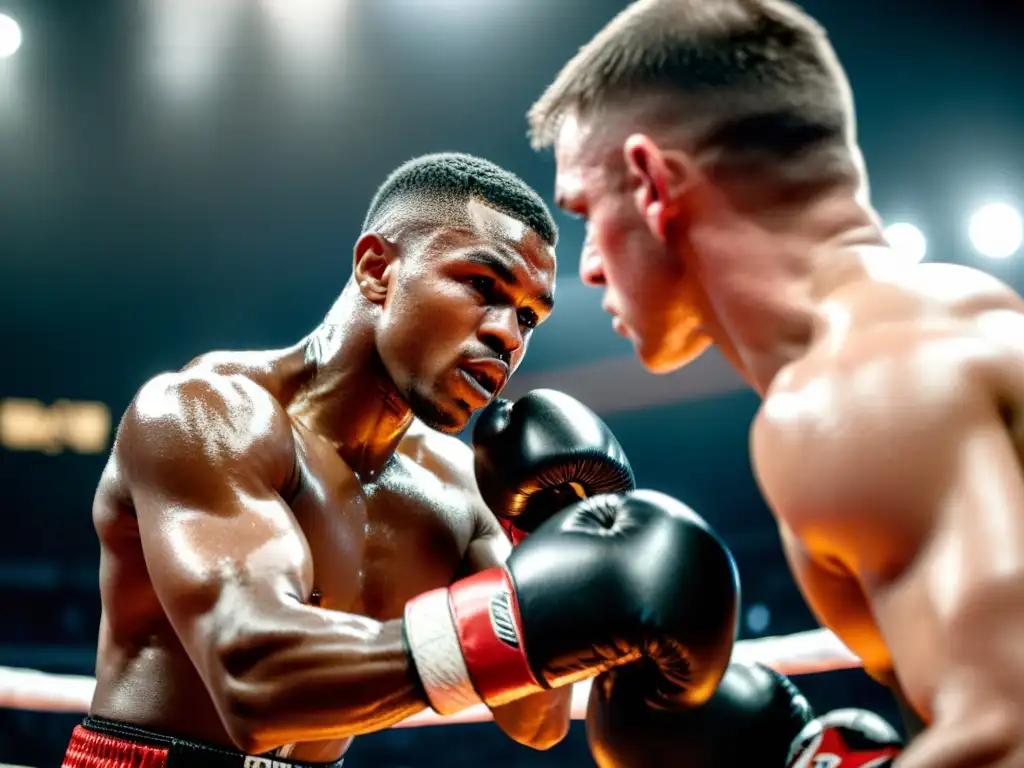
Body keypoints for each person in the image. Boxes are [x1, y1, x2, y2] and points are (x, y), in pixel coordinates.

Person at [63, 152, 741, 767]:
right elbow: (255, 683)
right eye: (483, 285)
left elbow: (535, 721)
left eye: (529, 317)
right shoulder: (203, 416)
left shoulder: (455, 492)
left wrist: (551, 543)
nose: (507, 334)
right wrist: (529, 620)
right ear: (378, 269)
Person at [529, 0, 1024, 765]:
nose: (588, 263)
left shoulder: (858, 392)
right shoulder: (951, 312)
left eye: (586, 213)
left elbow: (1006, 736)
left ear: (651, 183)